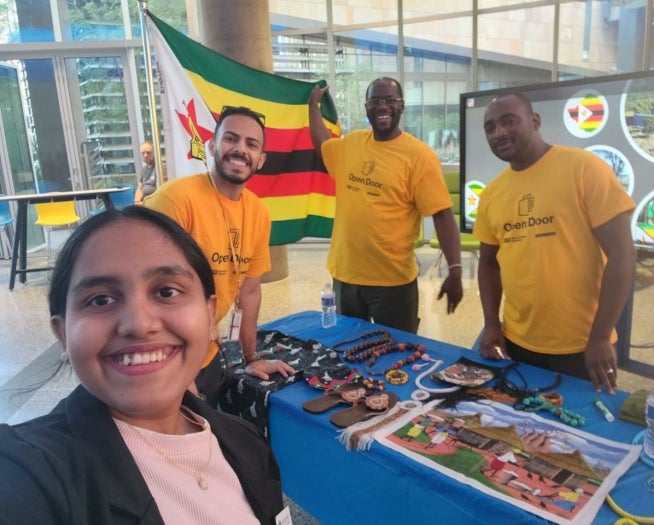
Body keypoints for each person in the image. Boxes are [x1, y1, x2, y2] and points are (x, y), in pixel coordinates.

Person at [0, 206, 285, 525]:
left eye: (167, 291)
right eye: (100, 300)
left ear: (209, 315)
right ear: (63, 335)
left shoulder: (247, 441)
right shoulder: (27, 470)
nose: (138, 324)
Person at [473, 91, 637, 394]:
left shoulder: (585, 168)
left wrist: (600, 337)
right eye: (490, 127)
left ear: (535, 121)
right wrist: (491, 323)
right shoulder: (493, 193)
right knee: (520, 431)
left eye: (509, 121)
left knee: (582, 435)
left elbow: (623, 254)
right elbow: (487, 263)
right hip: (518, 342)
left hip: (583, 345)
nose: (499, 132)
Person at [146, 106, 294, 404]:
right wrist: (178, 373)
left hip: (209, 354)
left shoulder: (258, 213)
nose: (240, 149)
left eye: (251, 144)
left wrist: (251, 357)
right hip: (161, 361)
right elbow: (148, 293)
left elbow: (250, 291)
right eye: (231, 139)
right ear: (212, 146)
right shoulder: (176, 200)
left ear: (260, 160)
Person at [308, 77, 463, 333]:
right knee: (347, 351)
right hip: (345, 277)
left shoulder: (419, 156)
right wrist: (312, 106)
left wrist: (455, 269)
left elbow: (442, 215)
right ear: (366, 107)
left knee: (397, 356)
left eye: (390, 100)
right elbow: (322, 144)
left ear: (402, 106)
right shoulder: (352, 143)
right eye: (375, 101)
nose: (383, 106)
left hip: (393, 283)